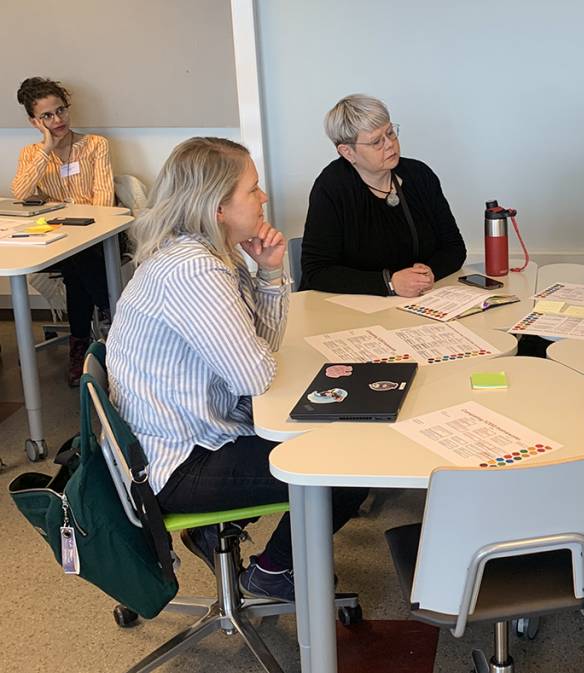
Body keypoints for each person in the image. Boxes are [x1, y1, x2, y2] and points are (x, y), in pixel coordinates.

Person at [106, 137, 367, 601]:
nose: (264, 198)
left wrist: (268, 273)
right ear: (217, 206)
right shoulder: (194, 271)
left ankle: (218, 534)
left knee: (325, 425)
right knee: (348, 463)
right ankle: (276, 571)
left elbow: (258, 351)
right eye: (253, 189)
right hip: (178, 463)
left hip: (179, 436)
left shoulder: (207, 254)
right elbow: (254, 376)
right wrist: (256, 354)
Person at [300, 94, 466, 297]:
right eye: (376, 142)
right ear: (347, 152)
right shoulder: (332, 187)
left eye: (390, 133)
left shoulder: (420, 175)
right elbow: (317, 271)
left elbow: (454, 248)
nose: (389, 144)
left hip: (415, 304)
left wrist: (429, 273)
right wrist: (389, 283)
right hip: (351, 310)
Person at [12, 77, 115, 385]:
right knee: (74, 263)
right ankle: (113, 318)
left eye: (61, 111)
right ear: (35, 121)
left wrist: (84, 231)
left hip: (100, 235)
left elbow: (105, 202)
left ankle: (80, 342)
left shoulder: (95, 145)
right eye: (47, 116)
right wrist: (46, 148)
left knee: (77, 264)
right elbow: (20, 192)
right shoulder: (33, 153)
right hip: (58, 238)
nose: (57, 120)